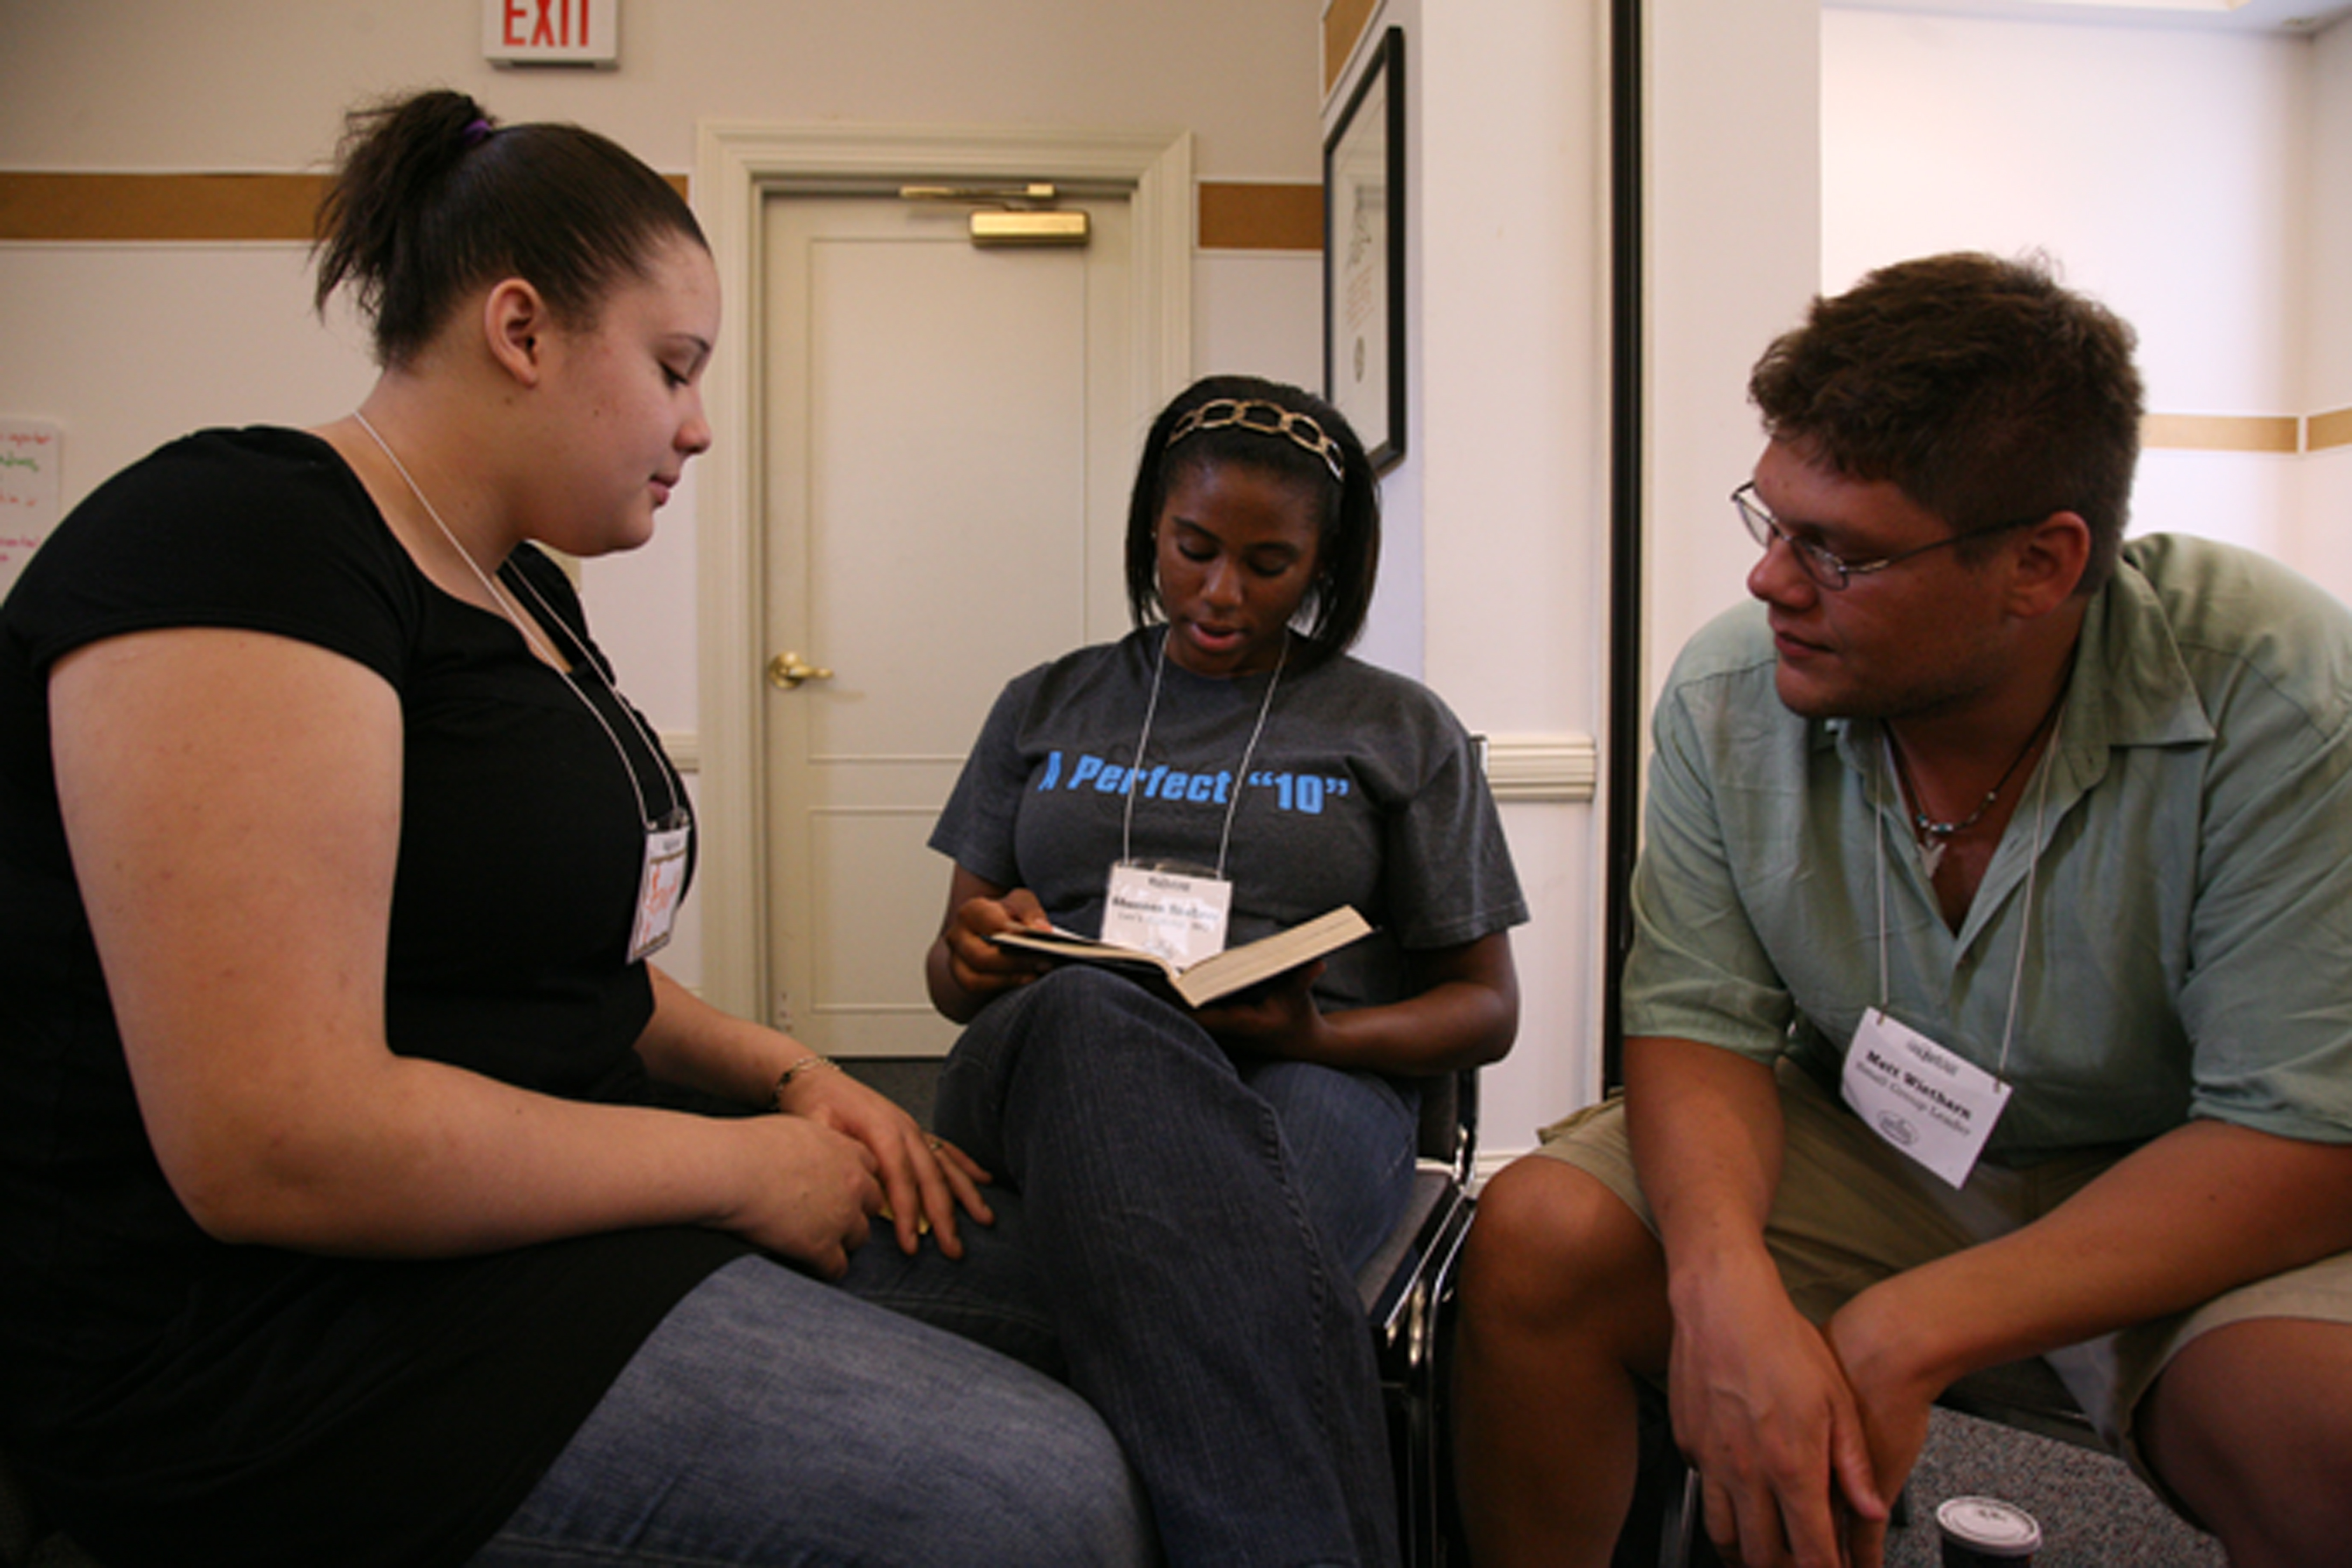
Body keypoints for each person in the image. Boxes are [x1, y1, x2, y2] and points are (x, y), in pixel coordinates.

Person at [0, 88, 1150, 1568]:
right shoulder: (241, 542)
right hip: (282, 1338)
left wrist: (796, 1077)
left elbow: (552, 968)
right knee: (1029, 1502)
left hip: (531, 1220)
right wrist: (741, 1168)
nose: (701, 424)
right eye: (674, 367)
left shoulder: (520, 588)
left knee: (1101, 1305)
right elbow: (278, 1143)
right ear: (524, 330)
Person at [1454, 252, 2352, 1568]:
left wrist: (1904, 1327)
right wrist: (1722, 1290)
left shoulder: (2279, 690)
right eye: (1771, 523)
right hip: (1879, 1155)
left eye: (1842, 551)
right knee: (1541, 1236)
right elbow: (1698, 1020)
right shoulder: (1728, 692)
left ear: (2041, 566)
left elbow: (2300, 1131)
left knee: (2315, 1429)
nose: (1772, 583)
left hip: (2177, 1174)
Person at [923, 374, 1528, 1567]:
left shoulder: (1401, 728)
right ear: (1152, 521)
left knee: (1208, 1263)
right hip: (1056, 1059)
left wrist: (1316, 1039)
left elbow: (1488, 1009)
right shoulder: (1044, 702)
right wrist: (981, 952)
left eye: (1270, 564)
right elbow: (953, 970)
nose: (1219, 593)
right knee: (1103, 1018)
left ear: (1326, 566)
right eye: (1193, 548)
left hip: (1303, 1071)